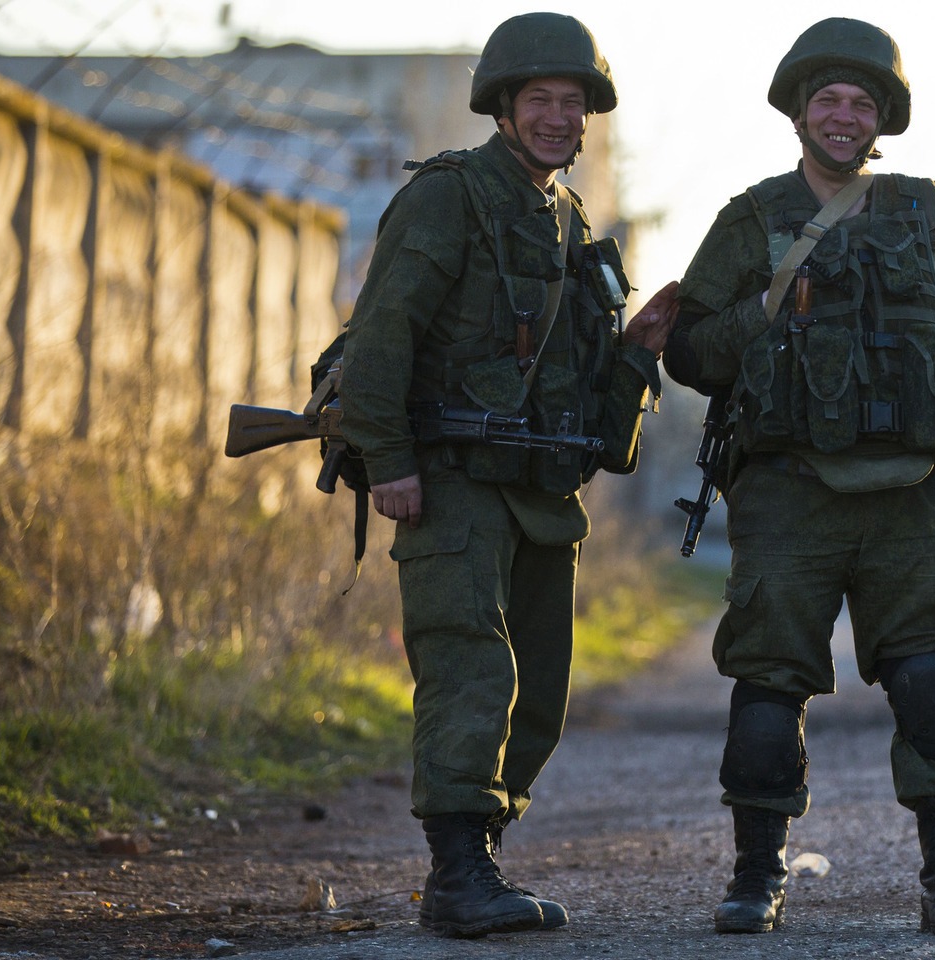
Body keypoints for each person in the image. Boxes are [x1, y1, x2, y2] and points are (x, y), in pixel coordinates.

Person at [661, 18, 935, 938]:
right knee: (767, 681)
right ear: (799, 111)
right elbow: (693, 349)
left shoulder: (925, 215)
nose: (844, 116)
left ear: (882, 118)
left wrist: (917, 331)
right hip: (787, 491)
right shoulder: (752, 219)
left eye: (861, 103)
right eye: (828, 99)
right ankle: (755, 877)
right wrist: (778, 314)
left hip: (908, 495)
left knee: (931, 678)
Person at [333, 12, 674, 939]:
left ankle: (477, 849)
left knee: (542, 691)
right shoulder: (453, 197)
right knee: (468, 667)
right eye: (541, 100)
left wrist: (639, 352)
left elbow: (590, 399)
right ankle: (456, 874)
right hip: (451, 481)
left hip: (539, 493)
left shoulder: (567, 217)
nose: (559, 118)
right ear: (503, 106)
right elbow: (382, 336)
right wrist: (389, 464)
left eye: (574, 103)